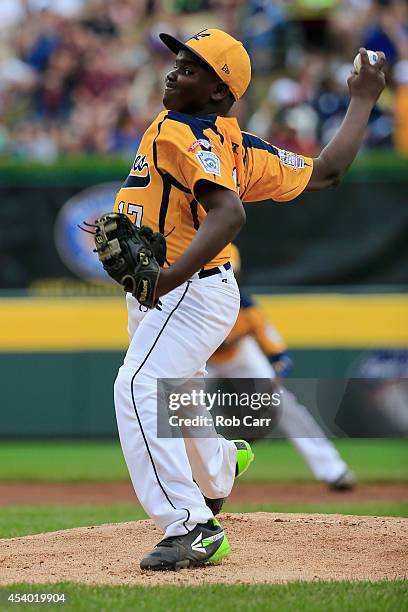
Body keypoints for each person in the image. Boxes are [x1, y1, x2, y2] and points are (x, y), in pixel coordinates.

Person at [112, 28, 385, 571]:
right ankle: (220, 465)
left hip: (185, 291)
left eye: (191, 69)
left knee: (139, 387)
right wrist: (362, 100)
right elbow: (326, 172)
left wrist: (164, 280)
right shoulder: (237, 146)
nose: (174, 72)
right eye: (178, 61)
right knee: (177, 394)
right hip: (174, 289)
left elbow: (229, 214)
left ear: (218, 92)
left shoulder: (187, 136)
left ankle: (190, 527)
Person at [207, 245, 355, 491]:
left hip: (241, 354)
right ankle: (175, 478)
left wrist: (276, 375)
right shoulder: (193, 305)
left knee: (283, 403)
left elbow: (279, 354)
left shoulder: (247, 308)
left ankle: (334, 470)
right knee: (177, 403)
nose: (227, 280)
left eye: (231, 274)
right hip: (202, 357)